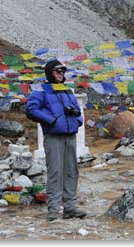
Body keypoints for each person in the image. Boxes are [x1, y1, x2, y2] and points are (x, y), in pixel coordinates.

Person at [26, 59, 86, 221]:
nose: (61, 74)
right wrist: (51, 120)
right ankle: (53, 209)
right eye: (57, 71)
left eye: (62, 71)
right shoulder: (41, 90)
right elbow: (31, 109)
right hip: (53, 136)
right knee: (55, 172)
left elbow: (77, 110)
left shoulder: (67, 90)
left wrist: (77, 119)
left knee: (72, 171)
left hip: (70, 135)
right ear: (49, 72)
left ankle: (70, 208)